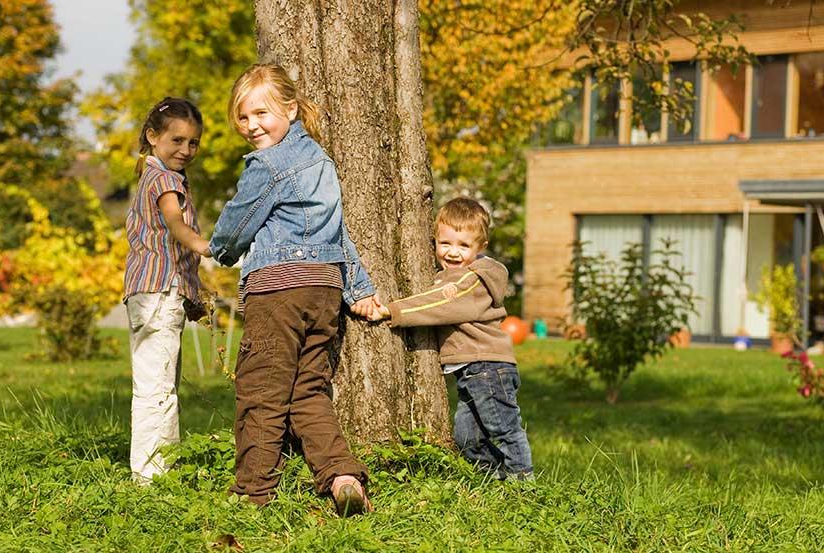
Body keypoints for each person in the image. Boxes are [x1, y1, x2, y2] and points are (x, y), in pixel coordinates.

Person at [209, 64, 377, 516]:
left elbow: (237, 223)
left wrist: (218, 250)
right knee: (307, 391)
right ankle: (343, 475)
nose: (251, 126)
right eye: (242, 118)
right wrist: (358, 288)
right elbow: (340, 233)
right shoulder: (321, 160)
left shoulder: (267, 165)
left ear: (290, 108)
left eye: (261, 113)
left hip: (277, 291)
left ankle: (253, 492)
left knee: (262, 390)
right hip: (323, 289)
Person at [370, 197, 534, 481]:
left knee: (503, 428)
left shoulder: (472, 281)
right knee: (467, 438)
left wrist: (392, 310)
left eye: (464, 245)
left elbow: (438, 305)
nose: (453, 253)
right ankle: (496, 479)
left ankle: (524, 481)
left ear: (480, 247)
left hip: (488, 367)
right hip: (470, 371)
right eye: (445, 243)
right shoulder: (453, 277)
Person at [123, 97, 211, 485]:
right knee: (156, 389)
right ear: (152, 135)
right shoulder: (164, 180)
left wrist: (196, 289)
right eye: (177, 140)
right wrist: (209, 246)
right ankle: (152, 475)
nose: (186, 150)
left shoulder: (152, 174)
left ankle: (158, 467)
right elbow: (175, 225)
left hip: (152, 293)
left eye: (193, 142)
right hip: (157, 294)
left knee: (159, 383)